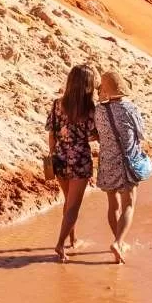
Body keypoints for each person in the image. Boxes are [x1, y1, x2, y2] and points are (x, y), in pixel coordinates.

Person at [92, 71, 148, 264]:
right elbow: (141, 134)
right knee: (129, 205)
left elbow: (96, 133)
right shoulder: (130, 108)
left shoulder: (98, 110)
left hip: (107, 162)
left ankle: (119, 242)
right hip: (127, 163)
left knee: (112, 205)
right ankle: (118, 242)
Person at [46, 65, 97, 262]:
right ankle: (60, 244)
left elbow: (52, 133)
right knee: (74, 205)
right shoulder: (90, 109)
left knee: (68, 201)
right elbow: (93, 135)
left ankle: (72, 239)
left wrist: (53, 155)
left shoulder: (57, 104)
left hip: (59, 156)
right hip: (80, 158)